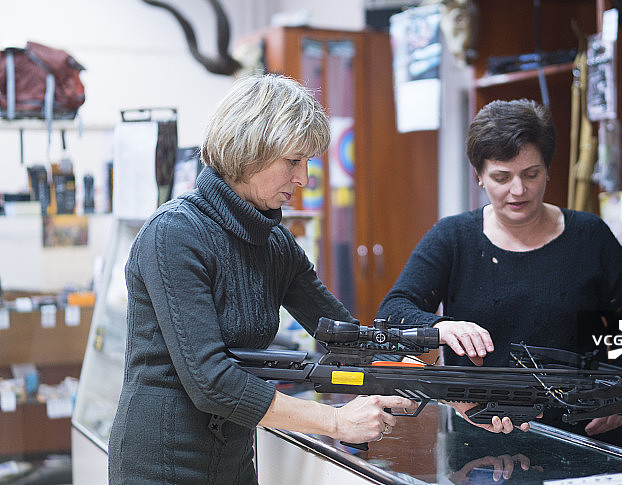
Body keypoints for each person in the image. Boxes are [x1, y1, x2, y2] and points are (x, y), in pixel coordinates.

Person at [107, 74, 421, 484]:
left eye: (307, 163)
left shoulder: (273, 242)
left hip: (233, 458)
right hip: (162, 464)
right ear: (249, 150)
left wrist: (440, 386)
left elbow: (342, 337)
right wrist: (336, 421)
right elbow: (211, 380)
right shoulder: (175, 233)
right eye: (293, 161)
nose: (303, 179)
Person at [377, 98, 622, 447]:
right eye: (502, 177)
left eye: (531, 174)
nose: (518, 190)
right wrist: (439, 326)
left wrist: (619, 390)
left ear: (548, 169)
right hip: (479, 439)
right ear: (478, 176)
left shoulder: (590, 236)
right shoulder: (454, 238)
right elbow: (394, 310)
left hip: (583, 437)